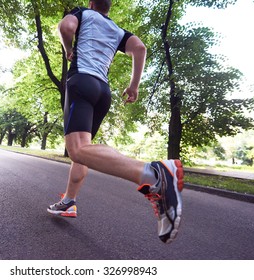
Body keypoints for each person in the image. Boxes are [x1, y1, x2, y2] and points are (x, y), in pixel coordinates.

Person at [47, 0, 184, 244]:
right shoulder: (118, 30)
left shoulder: (84, 13)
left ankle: (153, 175)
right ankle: (69, 201)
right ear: (108, 7)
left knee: (77, 149)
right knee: (84, 150)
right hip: (103, 91)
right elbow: (139, 48)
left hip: (81, 82)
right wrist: (134, 86)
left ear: (91, 3)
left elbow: (66, 27)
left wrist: (68, 49)